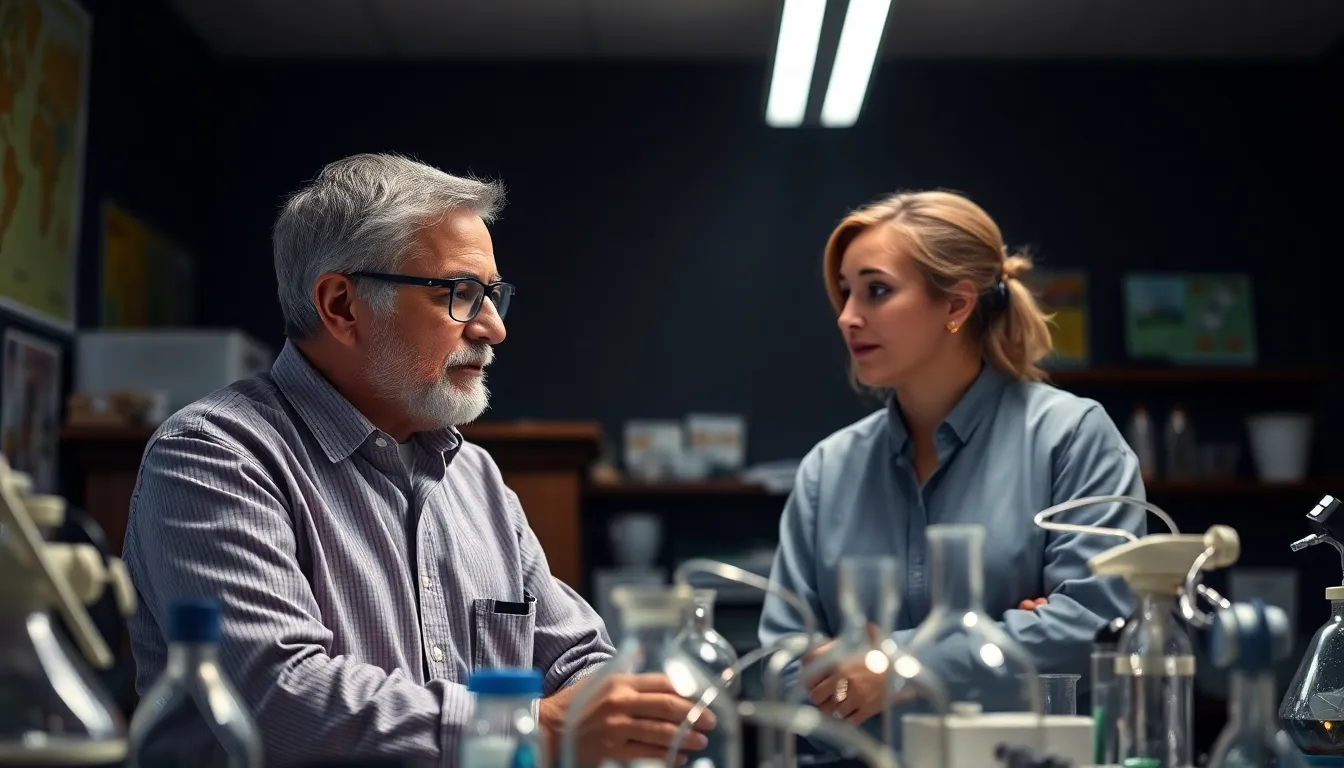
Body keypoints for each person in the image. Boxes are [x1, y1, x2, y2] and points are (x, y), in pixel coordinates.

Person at [122, 153, 713, 767]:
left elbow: (573, 658)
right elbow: (281, 701)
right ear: (342, 306)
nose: (492, 328)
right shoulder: (213, 458)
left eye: (492, 296)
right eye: (460, 294)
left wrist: (636, 706)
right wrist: (530, 729)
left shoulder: (474, 475)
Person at [757, 190, 1146, 736]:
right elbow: (783, 667)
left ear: (958, 305)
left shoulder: (1072, 436)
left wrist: (889, 666)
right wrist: (1004, 640)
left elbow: (1093, 627)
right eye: (845, 293)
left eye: (876, 291)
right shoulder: (828, 467)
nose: (847, 317)